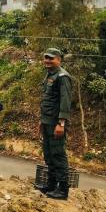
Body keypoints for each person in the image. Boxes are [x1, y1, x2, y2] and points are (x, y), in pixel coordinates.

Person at [35, 48, 72, 200]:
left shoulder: (63, 76)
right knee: (49, 154)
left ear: (59, 60)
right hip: (47, 122)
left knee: (58, 155)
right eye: (46, 58)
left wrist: (61, 124)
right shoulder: (50, 74)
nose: (47, 61)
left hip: (56, 123)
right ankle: (51, 185)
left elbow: (65, 101)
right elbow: (47, 99)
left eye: (51, 58)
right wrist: (42, 120)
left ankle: (62, 190)